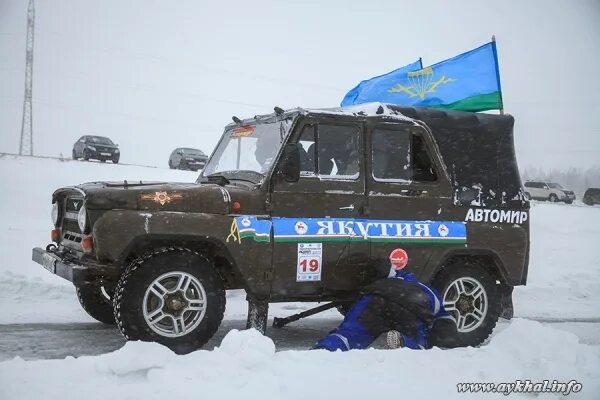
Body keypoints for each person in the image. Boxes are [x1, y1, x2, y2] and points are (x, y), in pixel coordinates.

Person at [313, 248, 458, 351]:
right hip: (413, 304)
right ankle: (405, 342)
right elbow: (444, 325)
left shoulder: (400, 279)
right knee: (418, 341)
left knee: (351, 332)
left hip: (376, 297)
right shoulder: (429, 293)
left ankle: (327, 348)